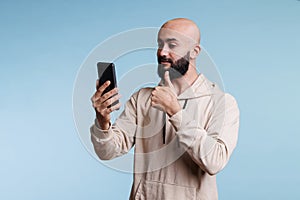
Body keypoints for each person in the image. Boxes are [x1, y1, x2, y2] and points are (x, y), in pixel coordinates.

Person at [90, 18, 239, 200]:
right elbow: (107, 152)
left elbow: (215, 161)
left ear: (194, 51)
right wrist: (103, 121)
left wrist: (176, 112)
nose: (162, 52)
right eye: (160, 44)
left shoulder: (221, 102)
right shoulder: (142, 98)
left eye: (172, 45)